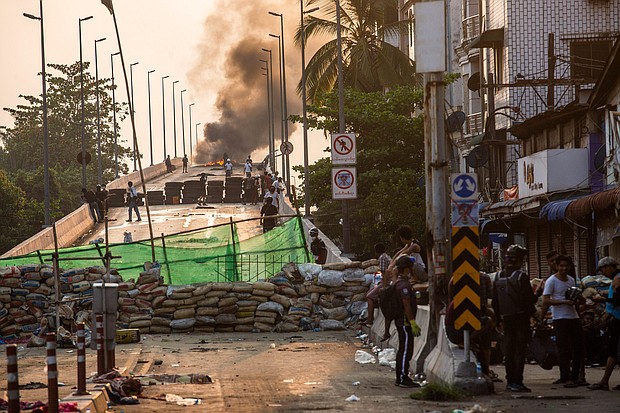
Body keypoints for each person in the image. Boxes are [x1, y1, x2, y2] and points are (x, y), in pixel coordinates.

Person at [491, 244, 536, 392]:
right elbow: (528, 300)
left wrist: (498, 320)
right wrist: (534, 314)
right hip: (521, 319)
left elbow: (495, 302)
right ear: (519, 260)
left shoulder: (497, 277)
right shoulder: (521, 277)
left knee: (509, 350)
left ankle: (510, 381)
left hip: (506, 319)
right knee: (519, 351)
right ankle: (517, 381)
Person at [541, 255, 585, 388]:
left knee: (577, 348)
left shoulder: (571, 280)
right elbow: (546, 300)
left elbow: (576, 297)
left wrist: (578, 305)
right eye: (561, 266)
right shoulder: (551, 281)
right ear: (556, 266)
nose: (564, 268)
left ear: (570, 267)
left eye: (566, 266)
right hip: (560, 318)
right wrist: (563, 302)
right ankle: (565, 376)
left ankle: (575, 376)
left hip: (574, 317)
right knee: (563, 348)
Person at [588, 256, 620, 391]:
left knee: (612, 351)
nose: (603, 274)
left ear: (608, 267)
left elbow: (618, 300)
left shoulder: (618, 279)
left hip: (618, 319)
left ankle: (604, 381)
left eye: (602, 270)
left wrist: (602, 299)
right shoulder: (616, 278)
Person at [391, 255, 422, 388]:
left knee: (404, 349)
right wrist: (412, 322)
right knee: (405, 350)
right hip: (404, 322)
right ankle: (403, 377)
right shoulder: (403, 285)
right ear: (406, 269)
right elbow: (406, 305)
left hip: (401, 321)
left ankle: (401, 377)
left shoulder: (398, 282)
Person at [363, 243, 392, 338]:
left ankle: (370, 319)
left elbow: (384, 273)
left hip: (387, 283)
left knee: (369, 296)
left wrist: (383, 287)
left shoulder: (382, 258)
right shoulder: (386, 257)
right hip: (387, 282)